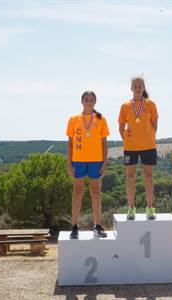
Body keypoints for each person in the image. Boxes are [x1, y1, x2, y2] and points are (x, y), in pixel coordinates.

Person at [66, 91, 109, 238]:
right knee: (77, 193)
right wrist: (69, 164)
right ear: (82, 101)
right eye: (86, 99)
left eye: (91, 99)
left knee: (96, 193)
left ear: (95, 102)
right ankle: (75, 226)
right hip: (78, 160)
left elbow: (104, 143)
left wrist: (105, 163)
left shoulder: (101, 119)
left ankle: (97, 225)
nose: (89, 101)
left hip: (96, 160)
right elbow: (70, 143)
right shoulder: (73, 119)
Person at [118, 76, 158, 220]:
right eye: (135, 85)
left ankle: (149, 208)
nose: (138, 87)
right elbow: (121, 127)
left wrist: (148, 136)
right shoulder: (125, 106)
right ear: (131, 88)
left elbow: (155, 125)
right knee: (130, 177)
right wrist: (127, 139)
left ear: (144, 87)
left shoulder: (150, 104)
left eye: (140, 85)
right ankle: (131, 208)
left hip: (148, 145)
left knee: (148, 177)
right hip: (131, 147)